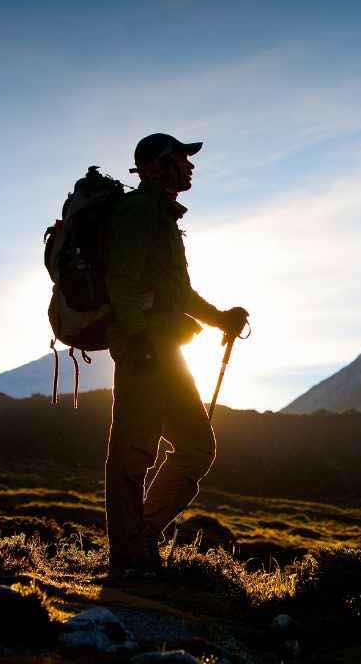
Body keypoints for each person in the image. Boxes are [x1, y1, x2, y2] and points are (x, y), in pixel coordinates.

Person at [102, 132, 249, 578]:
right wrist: (139, 340)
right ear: (154, 167)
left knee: (191, 447)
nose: (189, 166)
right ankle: (132, 556)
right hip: (147, 350)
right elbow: (121, 283)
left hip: (161, 348)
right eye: (180, 159)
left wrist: (220, 318)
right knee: (135, 452)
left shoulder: (160, 216)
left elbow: (177, 291)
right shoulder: (139, 212)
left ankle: (139, 543)